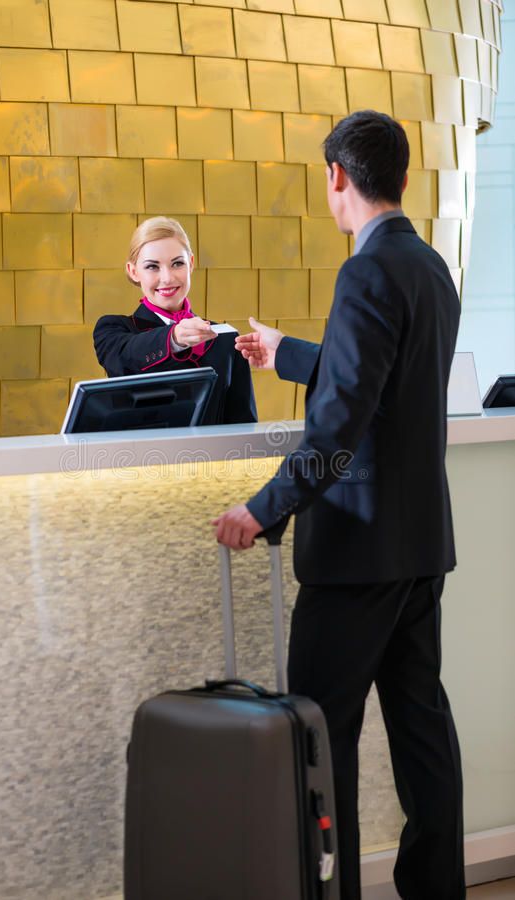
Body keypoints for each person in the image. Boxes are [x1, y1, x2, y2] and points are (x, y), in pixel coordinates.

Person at [213, 111, 465, 900]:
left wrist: (261, 509)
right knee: (422, 737)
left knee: (319, 746)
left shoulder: (363, 272)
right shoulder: (426, 265)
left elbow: (339, 426)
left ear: (335, 177)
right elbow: (382, 379)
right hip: (419, 548)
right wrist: (287, 351)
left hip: (355, 557)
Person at [93, 216, 257, 425]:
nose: (167, 278)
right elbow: (127, 357)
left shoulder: (225, 337)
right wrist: (174, 338)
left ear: (191, 263)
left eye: (177, 263)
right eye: (152, 267)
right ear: (133, 272)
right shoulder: (113, 330)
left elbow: (243, 423)